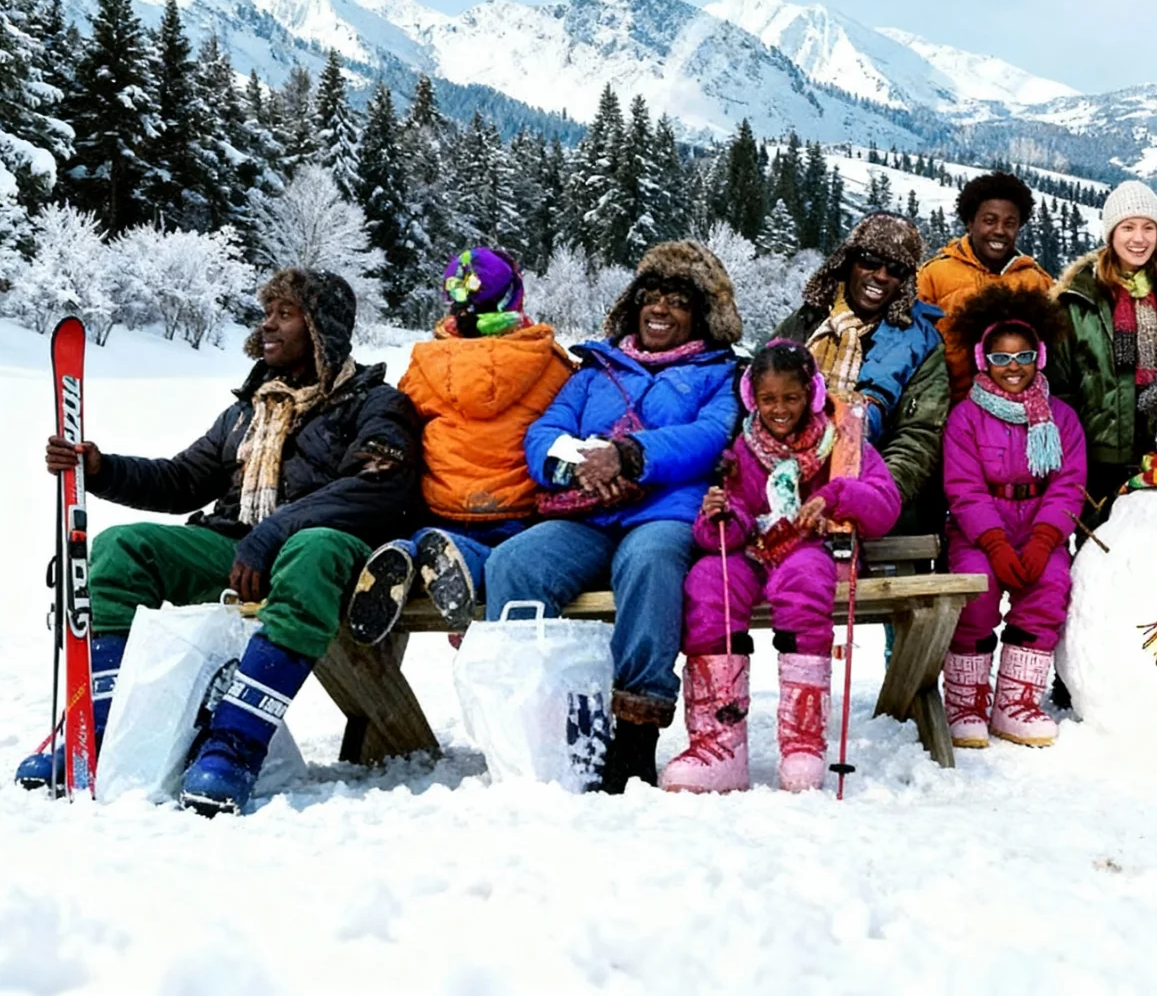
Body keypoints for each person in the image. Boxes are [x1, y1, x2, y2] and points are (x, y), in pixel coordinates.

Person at [18, 269, 419, 813]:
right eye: (267, 312)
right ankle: (100, 730)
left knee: (312, 549)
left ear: (322, 328)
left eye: (285, 313)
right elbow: (183, 480)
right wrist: (103, 467)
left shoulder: (375, 403)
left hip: (331, 551)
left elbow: (379, 484)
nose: (268, 325)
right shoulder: (247, 411)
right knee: (118, 550)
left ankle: (231, 749)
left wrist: (275, 530)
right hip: (237, 548)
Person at [481, 240, 741, 794]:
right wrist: (579, 466)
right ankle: (544, 723)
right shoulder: (595, 370)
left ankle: (633, 733)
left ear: (700, 317)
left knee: (650, 563)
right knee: (515, 565)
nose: (661, 309)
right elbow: (545, 434)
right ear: (633, 304)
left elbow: (711, 434)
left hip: (663, 509)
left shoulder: (717, 372)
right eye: (652, 296)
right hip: (587, 511)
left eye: (678, 301)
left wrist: (631, 457)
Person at [668, 343, 901, 794]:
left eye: (791, 398)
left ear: (811, 395)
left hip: (811, 546)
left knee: (804, 581)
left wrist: (836, 495)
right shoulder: (743, 448)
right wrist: (719, 516)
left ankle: (802, 742)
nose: (780, 409)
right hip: (755, 550)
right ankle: (719, 744)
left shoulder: (844, 443)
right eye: (769, 399)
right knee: (707, 581)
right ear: (753, 398)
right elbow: (731, 523)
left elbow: (885, 505)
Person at [346, 248, 575, 644]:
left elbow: (407, 422)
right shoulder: (550, 364)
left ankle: (408, 550)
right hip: (519, 513)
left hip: (441, 508)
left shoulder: (425, 365)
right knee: (502, 560)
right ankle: (458, 559)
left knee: (426, 537)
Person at [940, 286, 1086, 748]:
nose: (1013, 367)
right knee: (975, 595)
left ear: (1039, 356)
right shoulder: (966, 417)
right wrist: (994, 542)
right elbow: (963, 488)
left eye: (1022, 356)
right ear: (985, 362)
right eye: (1001, 359)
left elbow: (1068, 481)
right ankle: (965, 702)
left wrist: (1046, 538)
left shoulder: (1061, 417)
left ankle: (1015, 701)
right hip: (980, 531)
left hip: (1040, 524)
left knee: (1049, 590)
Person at [1046, 180, 1157, 533]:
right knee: (1099, 555)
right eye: (1128, 227)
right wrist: (1071, 448)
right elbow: (1059, 384)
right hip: (1096, 456)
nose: (1138, 238)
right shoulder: (1078, 301)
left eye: (1148, 227)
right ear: (1111, 233)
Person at [772, 212, 949, 534]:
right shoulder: (804, 324)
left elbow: (918, 437)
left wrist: (873, 496)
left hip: (872, 495)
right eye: (869, 261)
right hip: (782, 485)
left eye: (895, 269)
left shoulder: (923, 344)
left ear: (905, 281)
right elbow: (755, 396)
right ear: (848, 262)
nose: (880, 276)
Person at [916, 170, 1054, 402]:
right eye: (989, 221)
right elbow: (915, 344)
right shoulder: (935, 274)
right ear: (970, 222)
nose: (999, 231)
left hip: (1018, 408)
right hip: (948, 406)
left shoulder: (1036, 281)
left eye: (1009, 223)